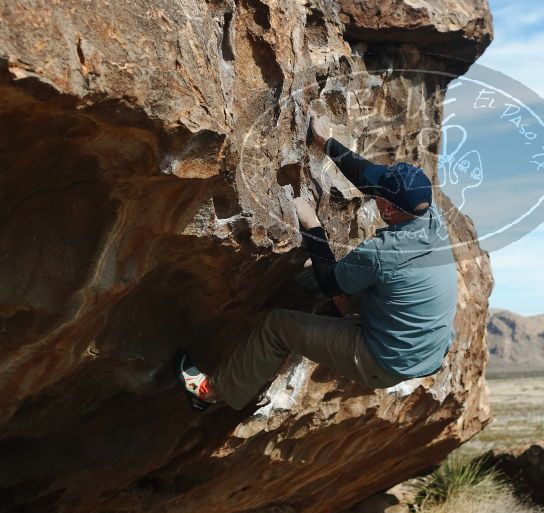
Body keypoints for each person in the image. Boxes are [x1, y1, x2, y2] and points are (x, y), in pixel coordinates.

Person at [174, 112, 458, 412]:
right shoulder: (429, 216)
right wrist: (327, 143)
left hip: (385, 361)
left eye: (380, 196)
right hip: (429, 351)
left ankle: (210, 392)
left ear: (389, 208)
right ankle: (335, 320)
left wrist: (312, 224)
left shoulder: (385, 252)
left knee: (279, 325)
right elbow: (369, 179)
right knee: (364, 289)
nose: (375, 195)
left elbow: (328, 281)